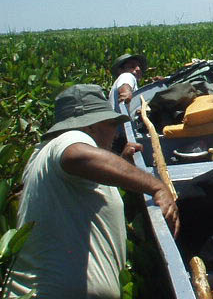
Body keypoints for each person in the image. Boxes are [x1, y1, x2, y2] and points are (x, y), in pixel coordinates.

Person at [6, 84, 179, 298]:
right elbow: (77, 155)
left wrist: (120, 162)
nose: (116, 132)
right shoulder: (68, 139)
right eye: (111, 123)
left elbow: (80, 196)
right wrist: (156, 186)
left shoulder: (41, 155)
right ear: (89, 127)